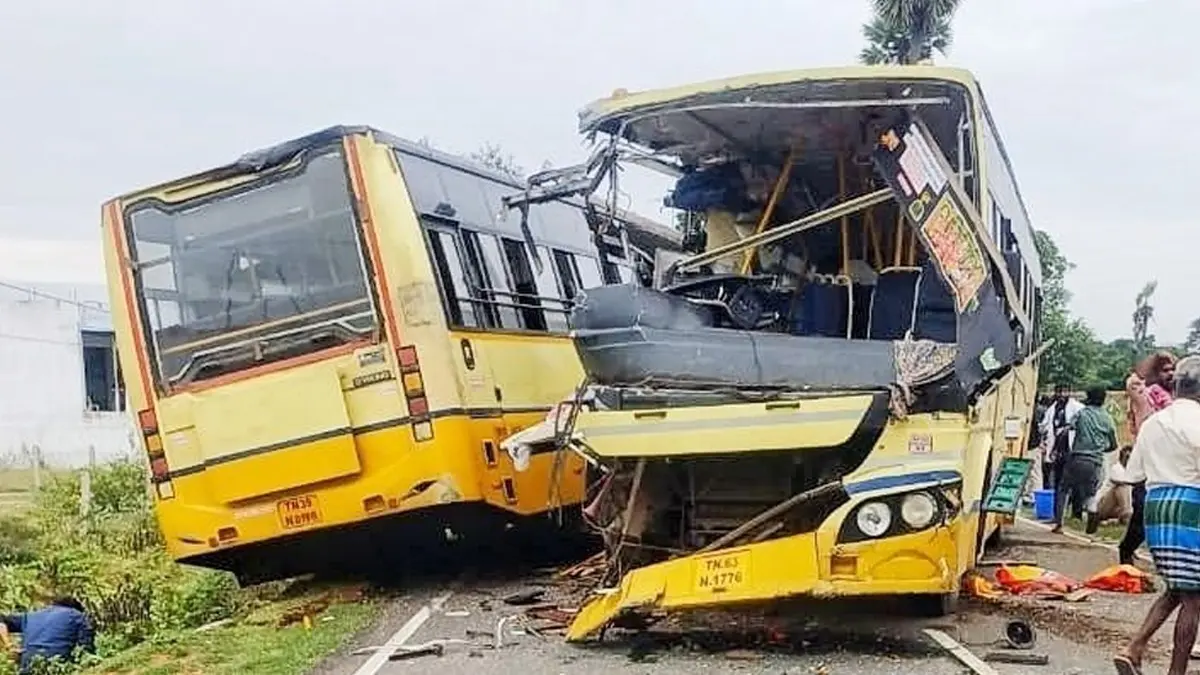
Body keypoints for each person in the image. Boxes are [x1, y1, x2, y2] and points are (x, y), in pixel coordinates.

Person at [1114, 355, 1200, 675]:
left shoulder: (1154, 422)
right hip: (1190, 507)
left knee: (1177, 587)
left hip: (1156, 508)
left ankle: (1133, 648)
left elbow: (1133, 474)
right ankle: (1176, 671)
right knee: (1193, 598)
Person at [1119, 351, 1179, 565]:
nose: (1171, 374)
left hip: (1170, 461)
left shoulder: (1175, 395)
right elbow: (1133, 383)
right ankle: (1126, 550)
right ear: (1155, 372)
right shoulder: (1150, 393)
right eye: (1165, 370)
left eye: (1173, 370)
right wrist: (1154, 359)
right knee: (1144, 512)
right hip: (1150, 460)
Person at [1053, 387, 1118, 533]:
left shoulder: (1081, 414)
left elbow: (1067, 429)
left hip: (1077, 458)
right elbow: (1113, 444)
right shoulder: (1108, 418)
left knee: (1063, 489)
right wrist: (1101, 449)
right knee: (1091, 494)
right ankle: (1092, 519)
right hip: (1095, 462)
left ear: (1088, 398)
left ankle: (1059, 524)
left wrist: (1057, 448)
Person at [0, 597, 95, 674]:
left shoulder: (31, 616)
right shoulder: (78, 616)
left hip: (27, 666)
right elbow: (86, 651)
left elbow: (1, 619)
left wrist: (9, 645)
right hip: (56, 667)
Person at [1041, 384, 1083, 492]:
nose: (1062, 395)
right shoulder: (1052, 409)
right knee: (1057, 476)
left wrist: (1067, 428)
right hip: (1057, 448)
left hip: (1071, 447)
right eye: (1059, 392)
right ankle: (1058, 500)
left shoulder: (1077, 407)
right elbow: (1045, 426)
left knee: (1072, 475)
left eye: (1065, 392)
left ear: (1069, 392)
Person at [1093, 445, 1136, 528]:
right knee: (1121, 488)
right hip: (1103, 505)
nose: (1129, 459)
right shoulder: (1116, 468)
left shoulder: (1133, 472)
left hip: (1118, 508)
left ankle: (1117, 519)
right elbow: (1120, 482)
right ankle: (1126, 515)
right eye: (1127, 457)